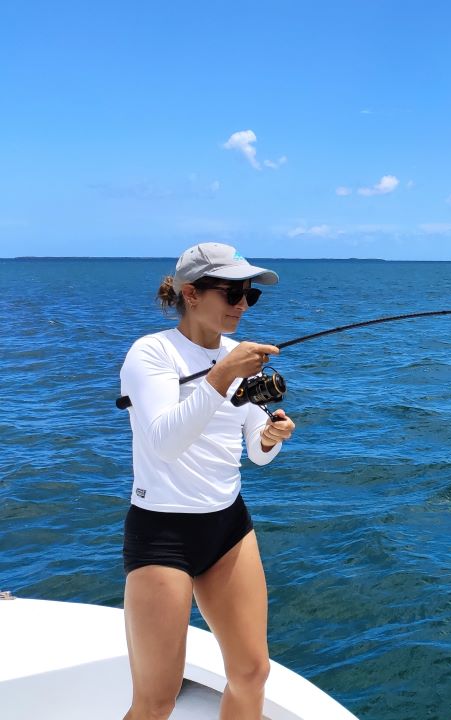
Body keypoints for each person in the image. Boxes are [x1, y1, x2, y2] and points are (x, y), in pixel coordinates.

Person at [119, 242, 296, 720]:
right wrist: (221, 377)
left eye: (249, 296)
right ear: (191, 294)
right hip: (162, 532)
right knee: (157, 700)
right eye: (233, 292)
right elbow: (163, 443)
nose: (242, 304)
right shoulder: (152, 353)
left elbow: (258, 451)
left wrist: (272, 436)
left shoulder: (236, 355)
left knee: (253, 672)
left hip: (228, 526)